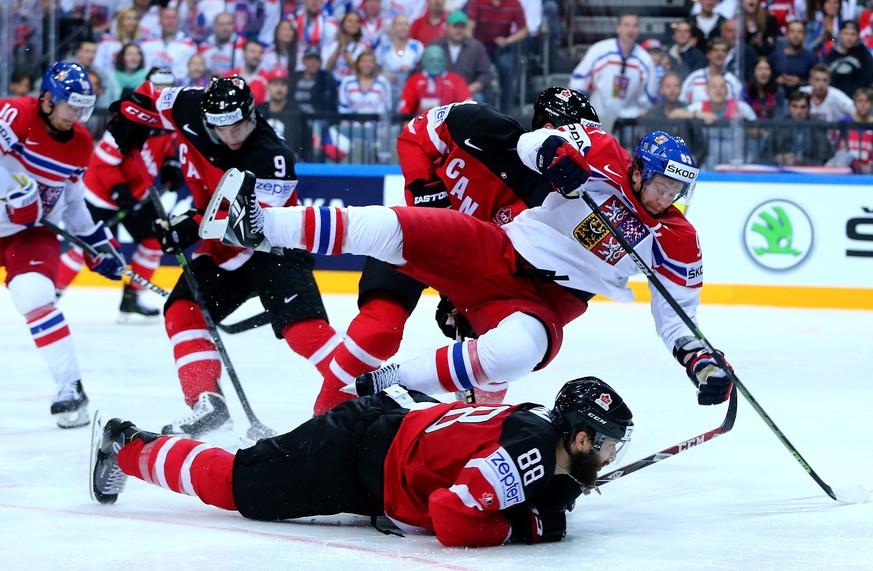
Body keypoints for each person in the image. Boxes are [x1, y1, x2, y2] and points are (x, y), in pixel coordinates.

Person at [216, 122, 735, 409]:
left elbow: (678, 320)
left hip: (543, 304)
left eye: (678, 189)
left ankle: (388, 382)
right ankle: (257, 222)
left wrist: (703, 363)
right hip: (500, 248)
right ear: (639, 170)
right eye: (663, 183)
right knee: (396, 226)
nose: (669, 196)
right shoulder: (600, 152)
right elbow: (532, 144)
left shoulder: (677, 240)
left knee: (515, 353)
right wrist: (554, 152)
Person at [308, 88, 601, 413]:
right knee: (380, 328)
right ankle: (321, 422)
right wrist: (425, 189)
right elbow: (416, 134)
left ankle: (471, 435)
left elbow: (559, 293)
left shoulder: (563, 205)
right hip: (417, 236)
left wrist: (469, 298)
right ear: (547, 129)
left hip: (476, 274)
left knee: (497, 351)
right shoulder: (483, 124)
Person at [91, 376, 634, 547]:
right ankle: (128, 444)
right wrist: (529, 525)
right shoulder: (534, 451)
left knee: (247, 481)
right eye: (609, 443)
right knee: (241, 488)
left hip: (382, 447)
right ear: (581, 439)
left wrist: (551, 499)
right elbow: (451, 516)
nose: (612, 455)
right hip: (355, 452)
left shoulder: (542, 439)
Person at [104, 76, 342, 438]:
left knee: (302, 331)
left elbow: (247, 223)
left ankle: (363, 387)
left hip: (272, 243)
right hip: (221, 253)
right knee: (183, 311)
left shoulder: (271, 156)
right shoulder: (188, 105)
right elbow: (152, 93)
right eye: (221, 127)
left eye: (239, 125)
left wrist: (189, 226)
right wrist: (130, 115)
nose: (231, 135)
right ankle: (207, 403)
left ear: (251, 113)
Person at [0, 62, 124, 428]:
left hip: (30, 234)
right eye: (73, 106)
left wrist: (95, 241)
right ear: (48, 100)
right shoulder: (15, 114)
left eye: (85, 108)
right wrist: (11, 191)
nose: (79, 116)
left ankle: (69, 387)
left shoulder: (81, 143)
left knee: (35, 295)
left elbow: (71, 202)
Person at [55, 67, 182, 322]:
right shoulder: (132, 116)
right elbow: (102, 162)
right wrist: (120, 192)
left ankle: (131, 299)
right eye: (158, 86)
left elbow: (166, 145)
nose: (163, 92)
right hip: (101, 193)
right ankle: (53, 293)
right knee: (88, 248)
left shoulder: (168, 117)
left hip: (136, 194)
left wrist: (171, 164)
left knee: (154, 241)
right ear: (147, 87)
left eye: (168, 86)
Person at [570, 12, 658, 121]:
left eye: (634, 26)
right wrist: (579, 107)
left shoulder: (645, 60)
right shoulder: (599, 50)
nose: (630, 30)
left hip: (629, 121)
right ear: (618, 28)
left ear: (638, 30)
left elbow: (650, 95)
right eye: (626, 25)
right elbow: (579, 79)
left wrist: (642, 111)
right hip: (597, 117)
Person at [466, 0, 529, 113]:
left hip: (502, 47)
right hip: (480, 47)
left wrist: (508, 40)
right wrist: (472, 44)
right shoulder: (477, 2)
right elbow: (470, 26)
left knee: (506, 67)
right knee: (482, 73)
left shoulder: (514, 3)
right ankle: (484, 110)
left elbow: (524, 30)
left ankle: (507, 112)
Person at [430, 11, 494, 103]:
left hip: (468, 91)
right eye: (455, 26)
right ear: (447, 27)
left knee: (478, 100)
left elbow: (486, 74)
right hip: (439, 91)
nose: (459, 30)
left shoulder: (476, 47)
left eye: (462, 27)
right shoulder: (436, 46)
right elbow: (424, 70)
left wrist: (471, 88)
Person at [762, 90, 835, 166]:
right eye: (795, 106)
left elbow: (824, 157)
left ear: (809, 108)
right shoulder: (779, 125)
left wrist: (799, 160)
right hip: (782, 170)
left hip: (809, 171)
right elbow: (764, 154)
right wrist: (776, 158)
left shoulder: (817, 126)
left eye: (803, 107)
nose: (798, 112)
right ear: (788, 107)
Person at [397, 45, 472, 115]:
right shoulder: (414, 81)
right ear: (424, 61)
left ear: (445, 61)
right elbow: (405, 108)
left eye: (439, 60)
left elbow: (467, 106)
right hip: (420, 124)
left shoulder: (456, 80)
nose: (435, 64)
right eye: (431, 60)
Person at [680, 38, 745, 105]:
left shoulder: (733, 82)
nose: (720, 53)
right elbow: (682, 103)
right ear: (708, 54)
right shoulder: (694, 78)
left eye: (723, 51)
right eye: (716, 50)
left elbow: (739, 108)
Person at [769, 20, 821, 97]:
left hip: (804, 101)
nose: (796, 35)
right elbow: (766, 81)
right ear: (786, 35)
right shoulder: (774, 57)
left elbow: (819, 82)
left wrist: (800, 82)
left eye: (799, 32)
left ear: (805, 36)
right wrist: (777, 81)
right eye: (792, 31)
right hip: (778, 100)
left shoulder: (813, 57)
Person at [823, 20, 873, 99]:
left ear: (857, 36)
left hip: (857, 100)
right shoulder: (832, 54)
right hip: (834, 98)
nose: (849, 38)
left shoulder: (864, 54)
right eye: (846, 33)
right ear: (839, 35)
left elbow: (868, 79)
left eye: (852, 34)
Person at [198, 12, 246, 78]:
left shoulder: (243, 45)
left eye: (229, 24)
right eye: (221, 24)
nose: (225, 28)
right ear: (214, 27)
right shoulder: (205, 45)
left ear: (234, 26)